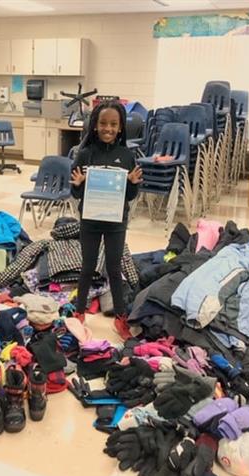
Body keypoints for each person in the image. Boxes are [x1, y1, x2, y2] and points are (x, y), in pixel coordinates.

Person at [70, 99, 143, 340]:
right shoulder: (85, 154)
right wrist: (78, 186)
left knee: (114, 268)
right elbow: (76, 193)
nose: (108, 129)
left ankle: (121, 318)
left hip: (115, 223)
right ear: (95, 125)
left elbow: (130, 196)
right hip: (90, 221)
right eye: (103, 123)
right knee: (87, 267)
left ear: (121, 127)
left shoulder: (127, 155)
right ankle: (79, 313)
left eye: (113, 124)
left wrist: (133, 185)